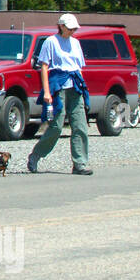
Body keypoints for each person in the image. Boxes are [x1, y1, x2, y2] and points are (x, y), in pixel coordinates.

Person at [28, 14, 93, 175]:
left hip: (75, 86)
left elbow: (79, 68)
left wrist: (84, 90)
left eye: (74, 29)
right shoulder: (51, 42)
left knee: (80, 126)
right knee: (56, 126)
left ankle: (80, 163)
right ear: (61, 26)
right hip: (58, 86)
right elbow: (44, 66)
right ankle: (36, 155)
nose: (72, 31)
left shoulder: (76, 43)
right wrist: (47, 92)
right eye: (70, 28)